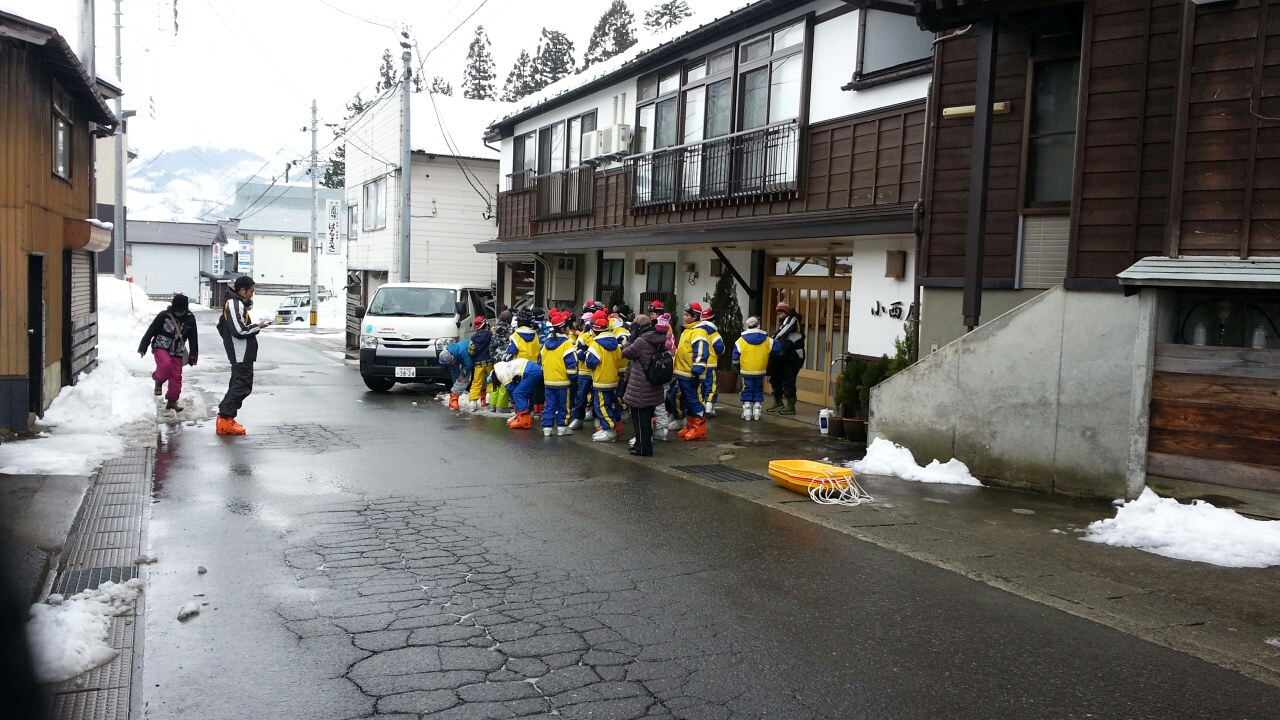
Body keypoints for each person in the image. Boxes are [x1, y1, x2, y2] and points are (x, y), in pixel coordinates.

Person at [216, 276, 270, 435]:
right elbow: (238, 330)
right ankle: (224, 420)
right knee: (240, 386)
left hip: (242, 353)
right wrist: (257, 327)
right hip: (241, 353)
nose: (252, 294)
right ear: (242, 290)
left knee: (240, 385)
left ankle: (227, 418)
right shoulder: (234, 304)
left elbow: (221, 326)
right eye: (251, 291)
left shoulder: (235, 304)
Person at [138, 293, 198, 412]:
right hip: (161, 346)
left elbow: (193, 338)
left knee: (176, 377)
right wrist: (143, 347)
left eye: (181, 311)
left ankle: (172, 402)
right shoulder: (164, 316)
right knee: (165, 365)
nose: (178, 313)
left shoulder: (190, 319)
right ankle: (158, 380)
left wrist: (193, 355)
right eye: (176, 311)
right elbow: (151, 331)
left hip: (178, 351)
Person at [621, 314, 666, 456]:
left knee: (640, 420)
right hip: (653, 385)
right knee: (646, 419)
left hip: (640, 386)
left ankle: (643, 448)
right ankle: (641, 445)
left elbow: (626, 352)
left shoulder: (641, 341)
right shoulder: (658, 337)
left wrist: (631, 338)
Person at [669, 302, 710, 440]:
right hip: (683, 373)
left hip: (691, 374)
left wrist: (696, 372)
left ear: (695, 316)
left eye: (687, 315)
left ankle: (699, 427)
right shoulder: (688, 331)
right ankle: (691, 424)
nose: (684, 317)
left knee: (695, 400)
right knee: (686, 400)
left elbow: (701, 353)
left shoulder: (699, 332)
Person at [584, 310, 623, 442]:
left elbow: (590, 362)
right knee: (611, 404)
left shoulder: (596, 344)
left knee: (601, 406)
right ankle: (611, 427)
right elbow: (620, 359)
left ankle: (609, 430)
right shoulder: (616, 343)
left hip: (601, 380)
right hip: (614, 379)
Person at [733, 316, 780, 420]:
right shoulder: (767, 340)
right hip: (760, 371)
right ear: (758, 325)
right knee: (758, 389)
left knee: (747, 389)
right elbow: (778, 349)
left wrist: (739, 367)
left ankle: (747, 412)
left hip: (746, 370)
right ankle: (757, 412)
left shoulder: (740, 341)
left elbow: (735, 358)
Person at [539, 310, 578, 436]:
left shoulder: (546, 344)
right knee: (563, 405)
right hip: (562, 381)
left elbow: (541, 361)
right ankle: (562, 427)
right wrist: (573, 378)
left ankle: (547, 428)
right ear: (562, 329)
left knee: (549, 405)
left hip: (548, 380)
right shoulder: (566, 344)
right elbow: (571, 363)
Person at [767, 300, 805, 415]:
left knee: (788, 380)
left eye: (781, 312)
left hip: (794, 355)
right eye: (778, 313)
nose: (780, 315)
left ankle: (790, 405)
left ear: (787, 311)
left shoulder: (792, 319)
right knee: (775, 378)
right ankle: (778, 402)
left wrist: (769, 341)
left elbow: (781, 333)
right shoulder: (785, 321)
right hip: (784, 354)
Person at [490, 358, 542, 430]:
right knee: (526, 392)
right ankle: (527, 415)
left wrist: (517, 406)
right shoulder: (501, 367)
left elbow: (511, 389)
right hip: (534, 368)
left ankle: (524, 420)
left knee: (518, 393)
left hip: (532, 372)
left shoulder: (501, 374)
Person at [568, 311, 596, 429]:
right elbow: (578, 351)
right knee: (581, 395)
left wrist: (587, 352)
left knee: (597, 397)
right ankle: (578, 418)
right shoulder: (584, 336)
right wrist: (587, 353)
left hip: (598, 371)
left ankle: (597, 418)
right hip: (584, 371)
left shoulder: (603, 336)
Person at [697, 306, 726, 417]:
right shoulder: (714, 333)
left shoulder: (696, 331)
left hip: (698, 364)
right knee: (711, 386)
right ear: (713, 320)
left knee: (701, 386)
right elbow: (720, 348)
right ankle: (709, 407)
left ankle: (701, 406)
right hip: (711, 364)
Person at [440, 337, 473, 410]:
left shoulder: (461, 352)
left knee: (465, 378)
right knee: (460, 379)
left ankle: (483, 397)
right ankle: (453, 399)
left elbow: (468, 365)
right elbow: (454, 371)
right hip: (466, 360)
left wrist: (462, 375)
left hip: (475, 357)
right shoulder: (451, 355)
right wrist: (455, 384)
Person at [467, 316, 493, 412]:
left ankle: (473, 404)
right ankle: (489, 399)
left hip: (478, 364)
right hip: (489, 362)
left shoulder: (473, 338)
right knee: (491, 380)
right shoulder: (490, 334)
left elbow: (471, 351)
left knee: (476, 383)